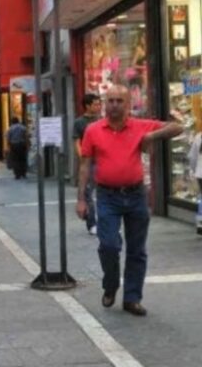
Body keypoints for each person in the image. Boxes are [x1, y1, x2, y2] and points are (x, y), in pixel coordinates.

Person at [77, 85, 182, 316]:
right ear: (105, 103)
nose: (114, 104)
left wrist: (151, 136)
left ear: (128, 104)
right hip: (107, 196)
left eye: (119, 101)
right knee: (109, 245)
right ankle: (111, 284)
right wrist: (81, 200)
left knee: (137, 249)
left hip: (135, 195)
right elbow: (84, 165)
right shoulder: (93, 130)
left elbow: (178, 127)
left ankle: (132, 298)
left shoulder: (141, 125)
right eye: (110, 100)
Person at [73, 93, 102, 235]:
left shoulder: (103, 120)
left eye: (99, 103)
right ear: (87, 106)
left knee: (104, 192)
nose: (99, 106)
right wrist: (83, 158)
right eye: (96, 104)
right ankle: (92, 223)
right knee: (88, 193)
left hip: (103, 161)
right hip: (89, 162)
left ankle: (106, 222)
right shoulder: (79, 122)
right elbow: (77, 142)